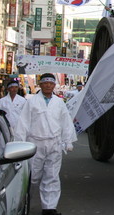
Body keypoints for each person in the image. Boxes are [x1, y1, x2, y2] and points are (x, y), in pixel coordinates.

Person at [14, 73, 76, 215]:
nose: (48, 85)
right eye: (45, 83)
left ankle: (49, 208)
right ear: (40, 85)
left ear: (54, 85)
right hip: (35, 143)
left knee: (52, 176)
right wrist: (19, 144)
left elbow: (65, 122)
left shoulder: (59, 102)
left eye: (51, 83)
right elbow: (23, 123)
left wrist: (68, 141)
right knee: (32, 176)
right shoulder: (31, 102)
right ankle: (24, 204)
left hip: (54, 143)